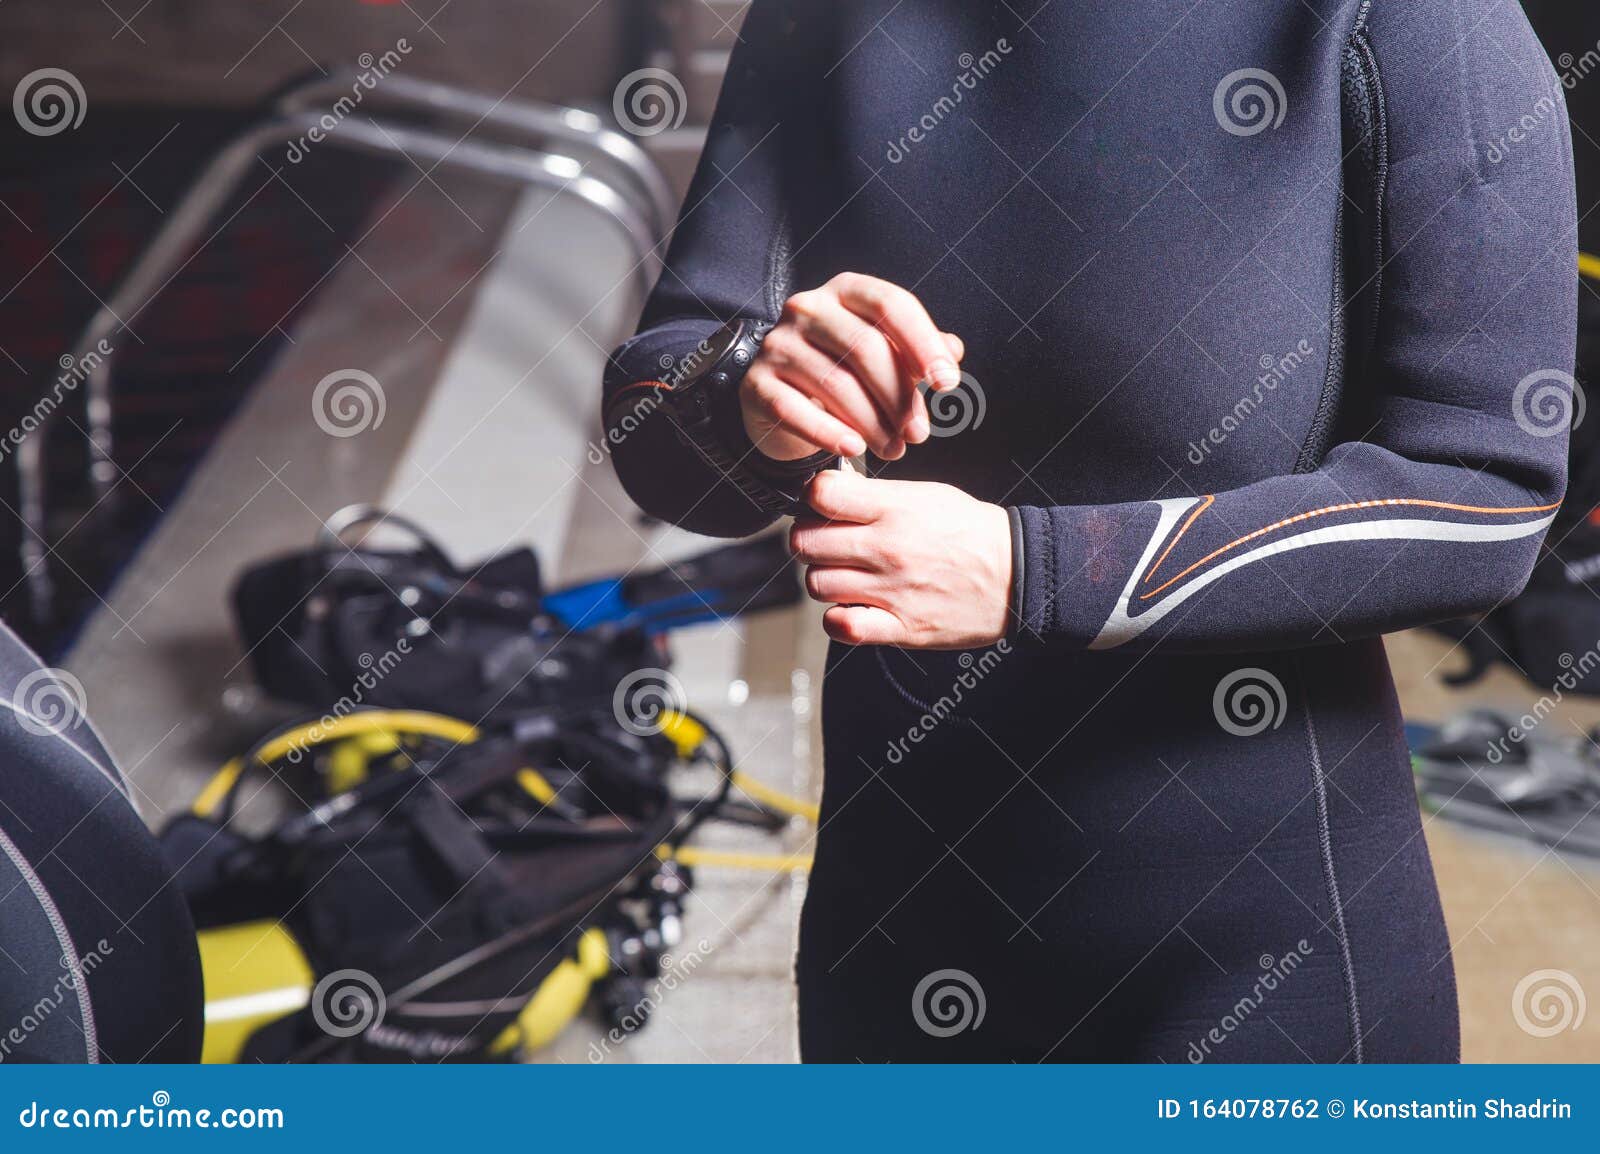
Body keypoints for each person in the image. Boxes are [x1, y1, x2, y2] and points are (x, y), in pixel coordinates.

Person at [602, 0, 1576, 1062]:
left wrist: (1035, 573)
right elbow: (656, 415)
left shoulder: (1407, 20)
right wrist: (750, 387)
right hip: (898, 914)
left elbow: (1482, 494)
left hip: (1254, 952)